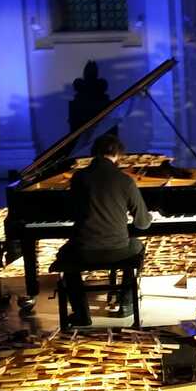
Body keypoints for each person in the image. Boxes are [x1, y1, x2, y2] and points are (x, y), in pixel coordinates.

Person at [55, 134, 150, 326]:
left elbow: (72, 212)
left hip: (84, 251)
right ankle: (126, 302)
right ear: (117, 154)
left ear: (94, 152)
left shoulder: (79, 178)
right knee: (137, 246)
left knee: (64, 255)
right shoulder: (125, 180)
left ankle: (82, 314)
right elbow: (142, 224)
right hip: (118, 250)